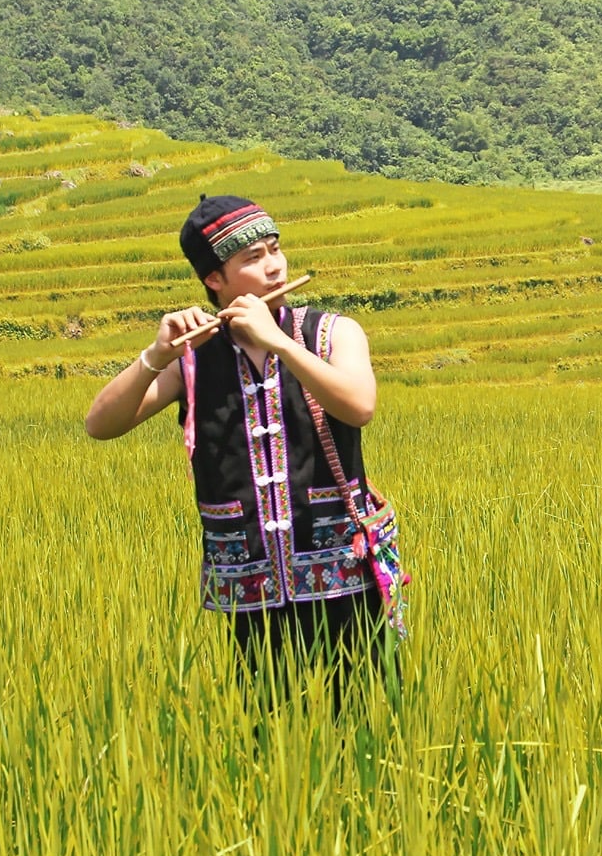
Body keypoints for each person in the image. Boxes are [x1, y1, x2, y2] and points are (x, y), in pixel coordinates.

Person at [83, 194, 395, 711]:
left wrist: (280, 344)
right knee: (267, 735)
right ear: (214, 282)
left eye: (275, 249)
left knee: (363, 719)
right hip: (249, 584)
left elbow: (359, 406)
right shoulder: (194, 358)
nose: (274, 265)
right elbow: (100, 424)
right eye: (251, 259)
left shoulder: (333, 333)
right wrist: (154, 355)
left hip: (343, 572)